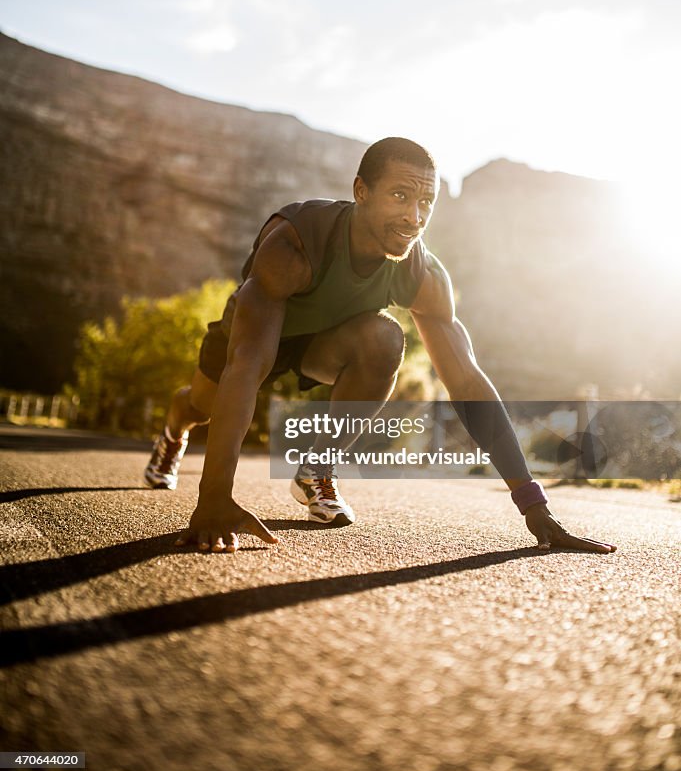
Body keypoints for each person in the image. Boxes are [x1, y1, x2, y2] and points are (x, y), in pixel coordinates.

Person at [144, 137, 616, 556]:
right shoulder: (294, 243)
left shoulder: (421, 273)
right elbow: (248, 365)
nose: (414, 217)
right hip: (248, 339)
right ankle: (172, 434)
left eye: (426, 201)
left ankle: (316, 470)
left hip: (325, 345)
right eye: (399, 195)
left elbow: (467, 382)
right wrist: (214, 498)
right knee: (199, 405)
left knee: (386, 338)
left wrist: (534, 507)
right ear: (360, 191)